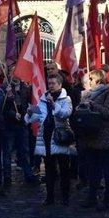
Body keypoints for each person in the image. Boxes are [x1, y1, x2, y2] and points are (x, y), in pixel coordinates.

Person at [25, 74, 74, 205]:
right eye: (49, 83)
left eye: (53, 83)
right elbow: (35, 117)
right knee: (49, 169)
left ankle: (65, 196)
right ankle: (50, 196)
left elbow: (65, 114)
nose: (51, 85)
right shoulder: (43, 99)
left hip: (59, 138)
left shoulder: (66, 99)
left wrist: (54, 106)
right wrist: (29, 113)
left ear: (60, 84)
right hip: (45, 138)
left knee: (64, 169)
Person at [78, 69, 109, 210]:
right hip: (90, 138)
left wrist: (92, 105)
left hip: (104, 138)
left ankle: (107, 199)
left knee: (107, 169)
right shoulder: (87, 95)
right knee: (92, 170)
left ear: (98, 80)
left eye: (91, 79)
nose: (88, 82)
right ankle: (92, 197)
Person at [3, 76, 37, 188]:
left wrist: (28, 113)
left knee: (25, 150)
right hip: (9, 125)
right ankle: (7, 177)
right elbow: (2, 108)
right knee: (7, 151)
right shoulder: (5, 88)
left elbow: (29, 103)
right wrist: (12, 112)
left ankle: (28, 174)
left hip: (22, 124)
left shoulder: (25, 87)